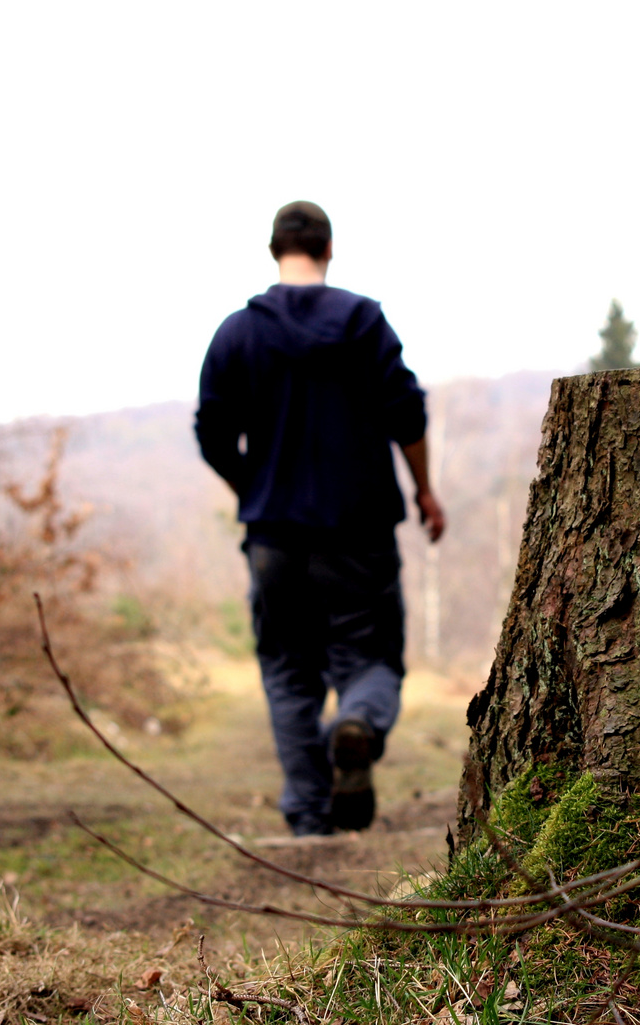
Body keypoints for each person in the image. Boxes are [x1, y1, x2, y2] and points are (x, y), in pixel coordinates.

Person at [194, 201, 445, 837]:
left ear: (275, 251)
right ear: (327, 249)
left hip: (274, 534)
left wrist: (250, 486)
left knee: (287, 670)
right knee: (373, 661)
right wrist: (425, 492)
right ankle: (357, 723)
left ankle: (309, 818)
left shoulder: (236, 334)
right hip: (358, 532)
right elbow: (406, 414)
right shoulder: (362, 322)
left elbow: (212, 429)